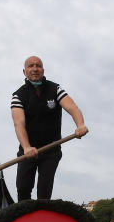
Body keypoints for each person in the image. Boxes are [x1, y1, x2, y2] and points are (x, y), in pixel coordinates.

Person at [10, 56, 88, 200]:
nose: (35, 69)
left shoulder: (55, 89)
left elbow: (72, 107)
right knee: (23, 188)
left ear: (43, 70)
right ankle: (26, 220)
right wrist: (27, 147)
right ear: (24, 71)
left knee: (44, 191)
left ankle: (43, 218)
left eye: (38, 66)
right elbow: (18, 123)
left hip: (51, 149)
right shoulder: (18, 96)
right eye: (31, 66)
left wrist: (80, 124)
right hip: (27, 150)